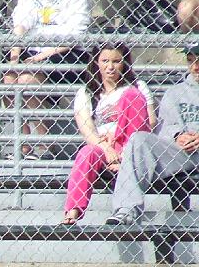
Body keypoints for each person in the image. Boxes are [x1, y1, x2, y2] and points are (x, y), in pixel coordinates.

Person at [105, 45, 199, 227]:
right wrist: (177, 135)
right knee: (138, 139)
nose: (195, 67)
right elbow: (166, 127)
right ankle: (126, 210)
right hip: (183, 154)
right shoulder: (175, 92)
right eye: (190, 60)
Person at [61, 45, 156, 225]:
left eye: (116, 61)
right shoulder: (87, 92)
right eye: (105, 61)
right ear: (96, 63)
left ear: (124, 63)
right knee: (86, 153)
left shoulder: (137, 87)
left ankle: (125, 160)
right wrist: (106, 147)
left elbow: (150, 121)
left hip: (132, 144)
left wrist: (117, 133)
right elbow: (87, 129)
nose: (110, 67)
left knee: (131, 96)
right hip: (104, 146)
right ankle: (72, 211)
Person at [4, 0, 91, 159]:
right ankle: (24, 144)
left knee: (27, 80)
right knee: (8, 79)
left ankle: (45, 144)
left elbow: (76, 34)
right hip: (34, 48)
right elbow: (22, 21)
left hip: (67, 50)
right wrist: (14, 59)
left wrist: (39, 58)